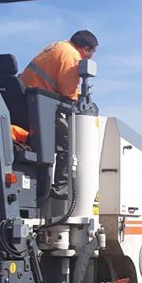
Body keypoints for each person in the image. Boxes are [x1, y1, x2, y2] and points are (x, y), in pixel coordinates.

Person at [20, 30, 98, 198]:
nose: (90, 58)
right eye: (92, 53)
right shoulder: (72, 57)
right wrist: (83, 99)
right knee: (69, 141)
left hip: (26, 101)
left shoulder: (58, 46)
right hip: (41, 105)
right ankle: (61, 189)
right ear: (86, 49)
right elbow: (68, 94)